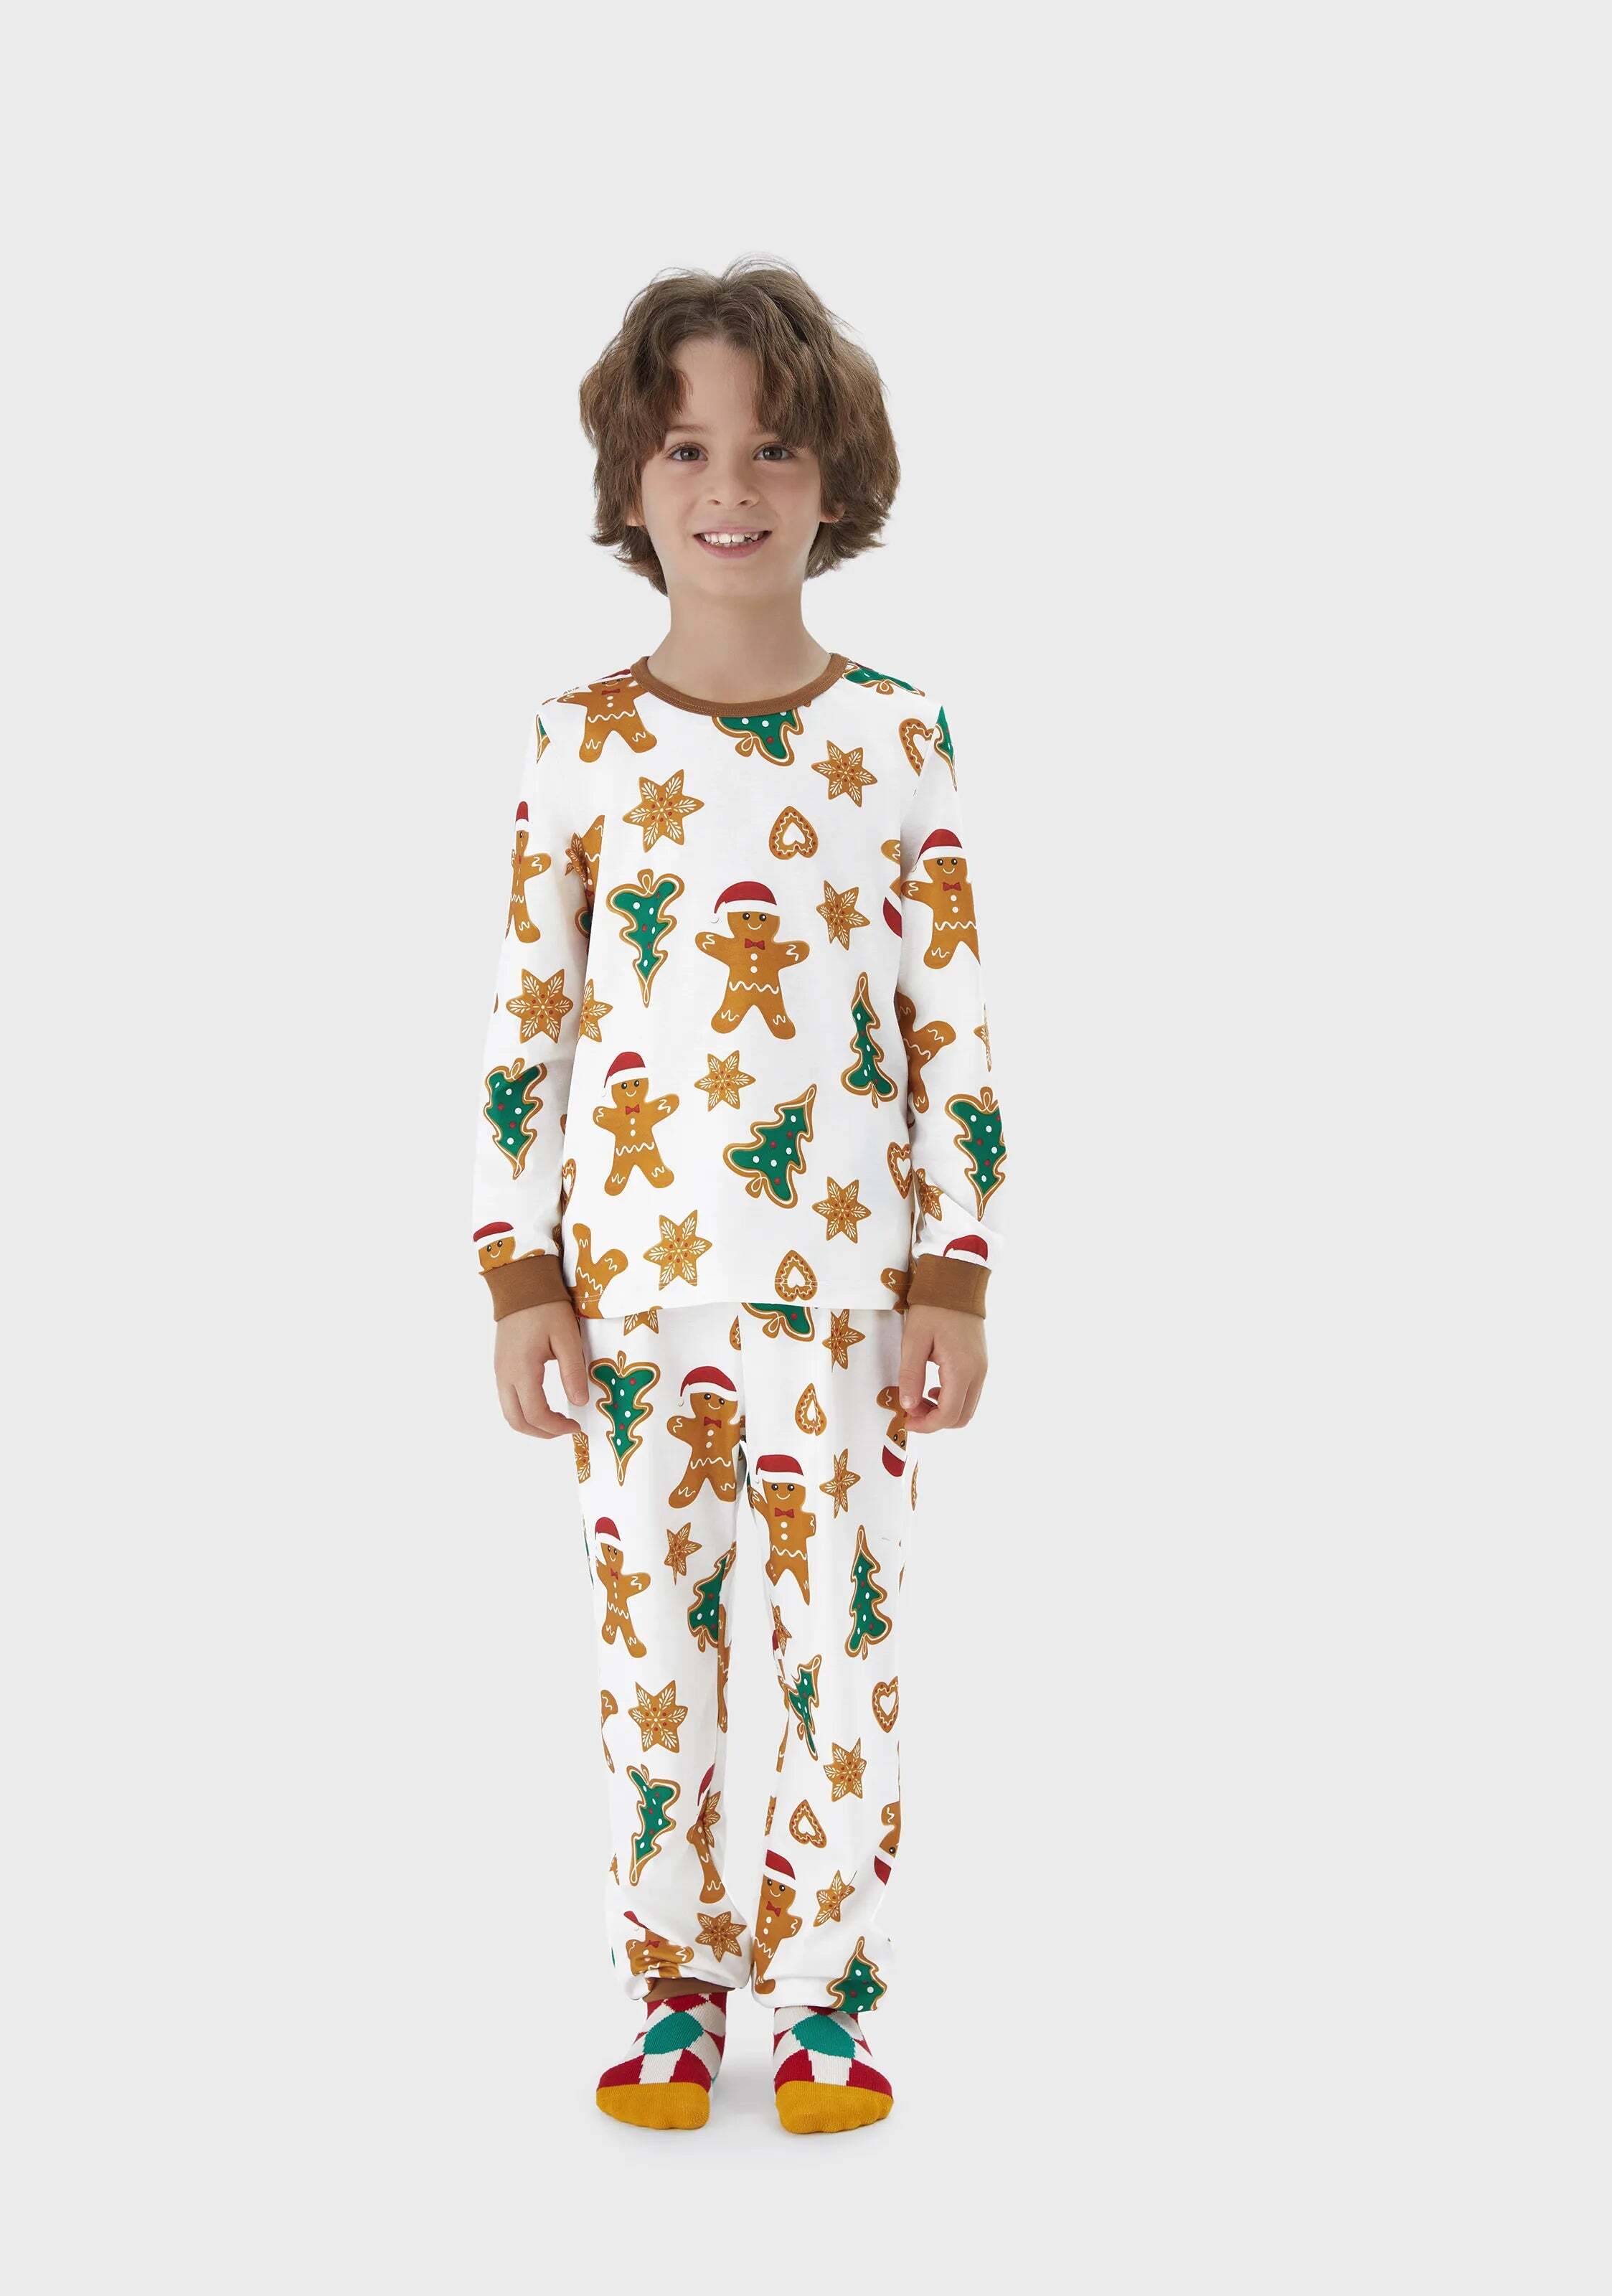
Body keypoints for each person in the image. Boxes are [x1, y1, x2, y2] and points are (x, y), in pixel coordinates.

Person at [471, 260, 1011, 2133]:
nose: (730, 486)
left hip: (849, 1291)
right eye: (687, 447)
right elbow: (530, 1019)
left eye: (774, 449)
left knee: (842, 1648)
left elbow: (949, 1019)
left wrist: (956, 1273)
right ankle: (675, 1987)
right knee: (654, 1647)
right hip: (632, 1292)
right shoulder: (580, 743)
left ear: (833, 478)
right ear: (632, 481)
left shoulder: (895, 738)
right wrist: (516, 1271)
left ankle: (826, 1994)